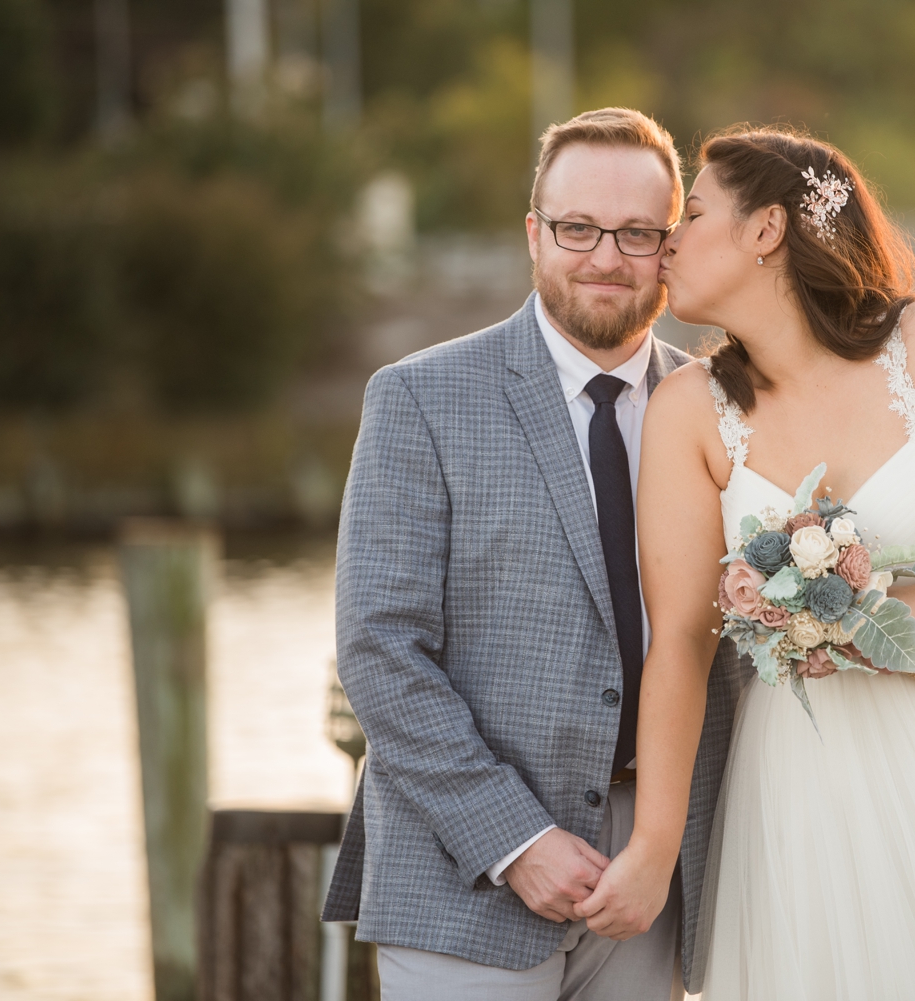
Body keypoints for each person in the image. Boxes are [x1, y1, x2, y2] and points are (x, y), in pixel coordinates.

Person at [576, 127, 915, 999]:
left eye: (692, 213)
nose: (666, 241)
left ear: (766, 230)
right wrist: (653, 844)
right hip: (800, 785)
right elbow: (681, 641)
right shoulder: (689, 410)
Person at [319, 108, 747, 1000]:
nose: (605, 257)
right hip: (461, 869)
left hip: (659, 874)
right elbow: (379, 648)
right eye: (577, 228)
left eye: (637, 233)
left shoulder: (729, 412)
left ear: (670, 246)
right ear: (533, 233)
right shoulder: (419, 399)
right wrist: (513, 838)